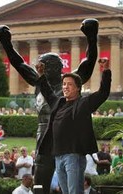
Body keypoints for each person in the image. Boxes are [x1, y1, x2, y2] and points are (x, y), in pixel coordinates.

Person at [0, 18, 98, 194]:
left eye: (42, 64)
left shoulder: (70, 82)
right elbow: (19, 64)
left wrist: (92, 37)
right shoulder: (38, 82)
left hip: (68, 139)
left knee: (72, 184)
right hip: (44, 138)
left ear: (55, 68)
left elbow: (89, 61)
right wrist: (5, 41)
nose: (38, 66)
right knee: (40, 183)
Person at [36, 58, 111, 194]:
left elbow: (103, 93)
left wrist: (105, 70)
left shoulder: (84, 103)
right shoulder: (58, 103)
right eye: (64, 84)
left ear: (78, 87)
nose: (65, 87)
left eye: (69, 84)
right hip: (58, 156)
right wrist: (41, 75)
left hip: (74, 156)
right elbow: (47, 91)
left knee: (74, 191)